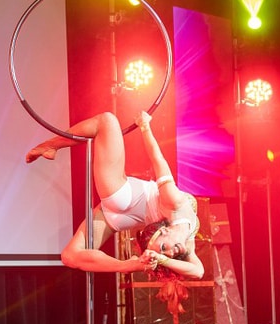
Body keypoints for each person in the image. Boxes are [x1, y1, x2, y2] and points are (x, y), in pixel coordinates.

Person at [26, 111, 204, 280]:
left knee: (107, 121)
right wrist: (145, 127)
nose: (171, 253)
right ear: (164, 231)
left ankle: (51, 146)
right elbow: (158, 161)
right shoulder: (181, 223)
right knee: (71, 255)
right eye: (165, 250)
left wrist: (154, 260)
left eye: (163, 250)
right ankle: (125, 266)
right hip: (123, 214)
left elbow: (197, 272)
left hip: (123, 197)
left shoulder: (176, 214)